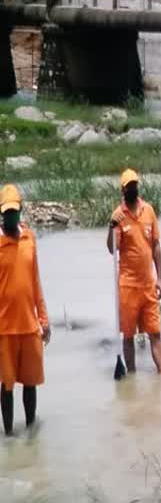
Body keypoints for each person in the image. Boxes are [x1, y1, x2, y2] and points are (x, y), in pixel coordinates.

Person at [0, 184, 50, 436]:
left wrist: (44, 319)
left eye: (13, 212)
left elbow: (35, 281)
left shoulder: (30, 239)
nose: (10, 217)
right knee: (7, 385)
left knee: (30, 383)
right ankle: (8, 435)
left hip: (30, 325)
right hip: (5, 329)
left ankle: (31, 435)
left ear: (21, 211)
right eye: (5, 213)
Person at [106, 169, 161, 375]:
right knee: (129, 336)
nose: (132, 188)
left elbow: (156, 246)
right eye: (128, 186)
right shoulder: (118, 216)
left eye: (135, 185)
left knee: (155, 333)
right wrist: (111, 227)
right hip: (128, 285)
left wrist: (160, 278)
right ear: (122, 190)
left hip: (148, 284)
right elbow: (111, 249)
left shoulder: (148, 211)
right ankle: (131, 376)